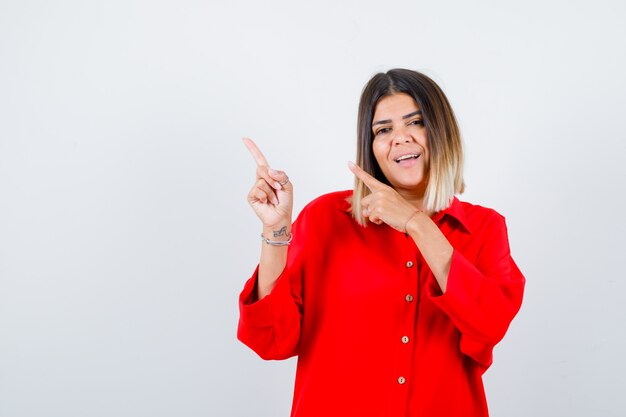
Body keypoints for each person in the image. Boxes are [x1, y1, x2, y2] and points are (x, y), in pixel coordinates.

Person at [237, 68, 525, 417]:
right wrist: (276, 231)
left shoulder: (485, 228)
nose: (400, 139)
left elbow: (489, 325)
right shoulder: (325, 218)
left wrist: (416, 223)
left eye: (415, 123)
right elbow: (270, 340)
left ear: (442, 132)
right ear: (371, 147)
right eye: (383, 130)